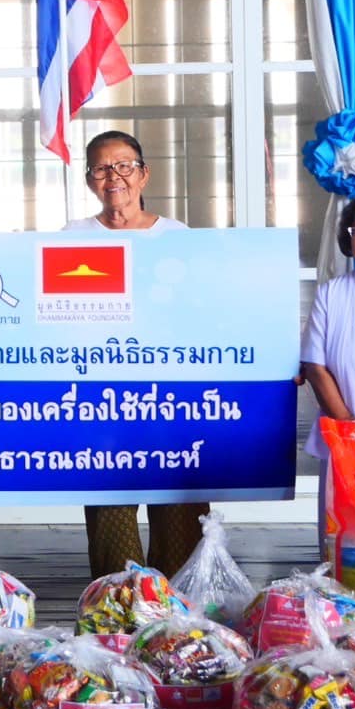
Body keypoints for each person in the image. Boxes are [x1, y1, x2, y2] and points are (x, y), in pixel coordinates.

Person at [65, 129, 206, 578]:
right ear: (90, 180)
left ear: (143, 175)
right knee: (112, 520)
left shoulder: (179, 237)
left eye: (124, 165)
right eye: (102, 168)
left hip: (171, 395)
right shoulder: (71, 237)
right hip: (101, 399)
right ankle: (119, 618)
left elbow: (203, 313)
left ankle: (180, 625)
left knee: (179, 515)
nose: (114, 177)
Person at [300, 194, 355, 558]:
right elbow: (315, 364)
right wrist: (350, 433)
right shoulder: (332, 293)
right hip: (344, 443)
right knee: (345, 545)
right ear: (348, 237)